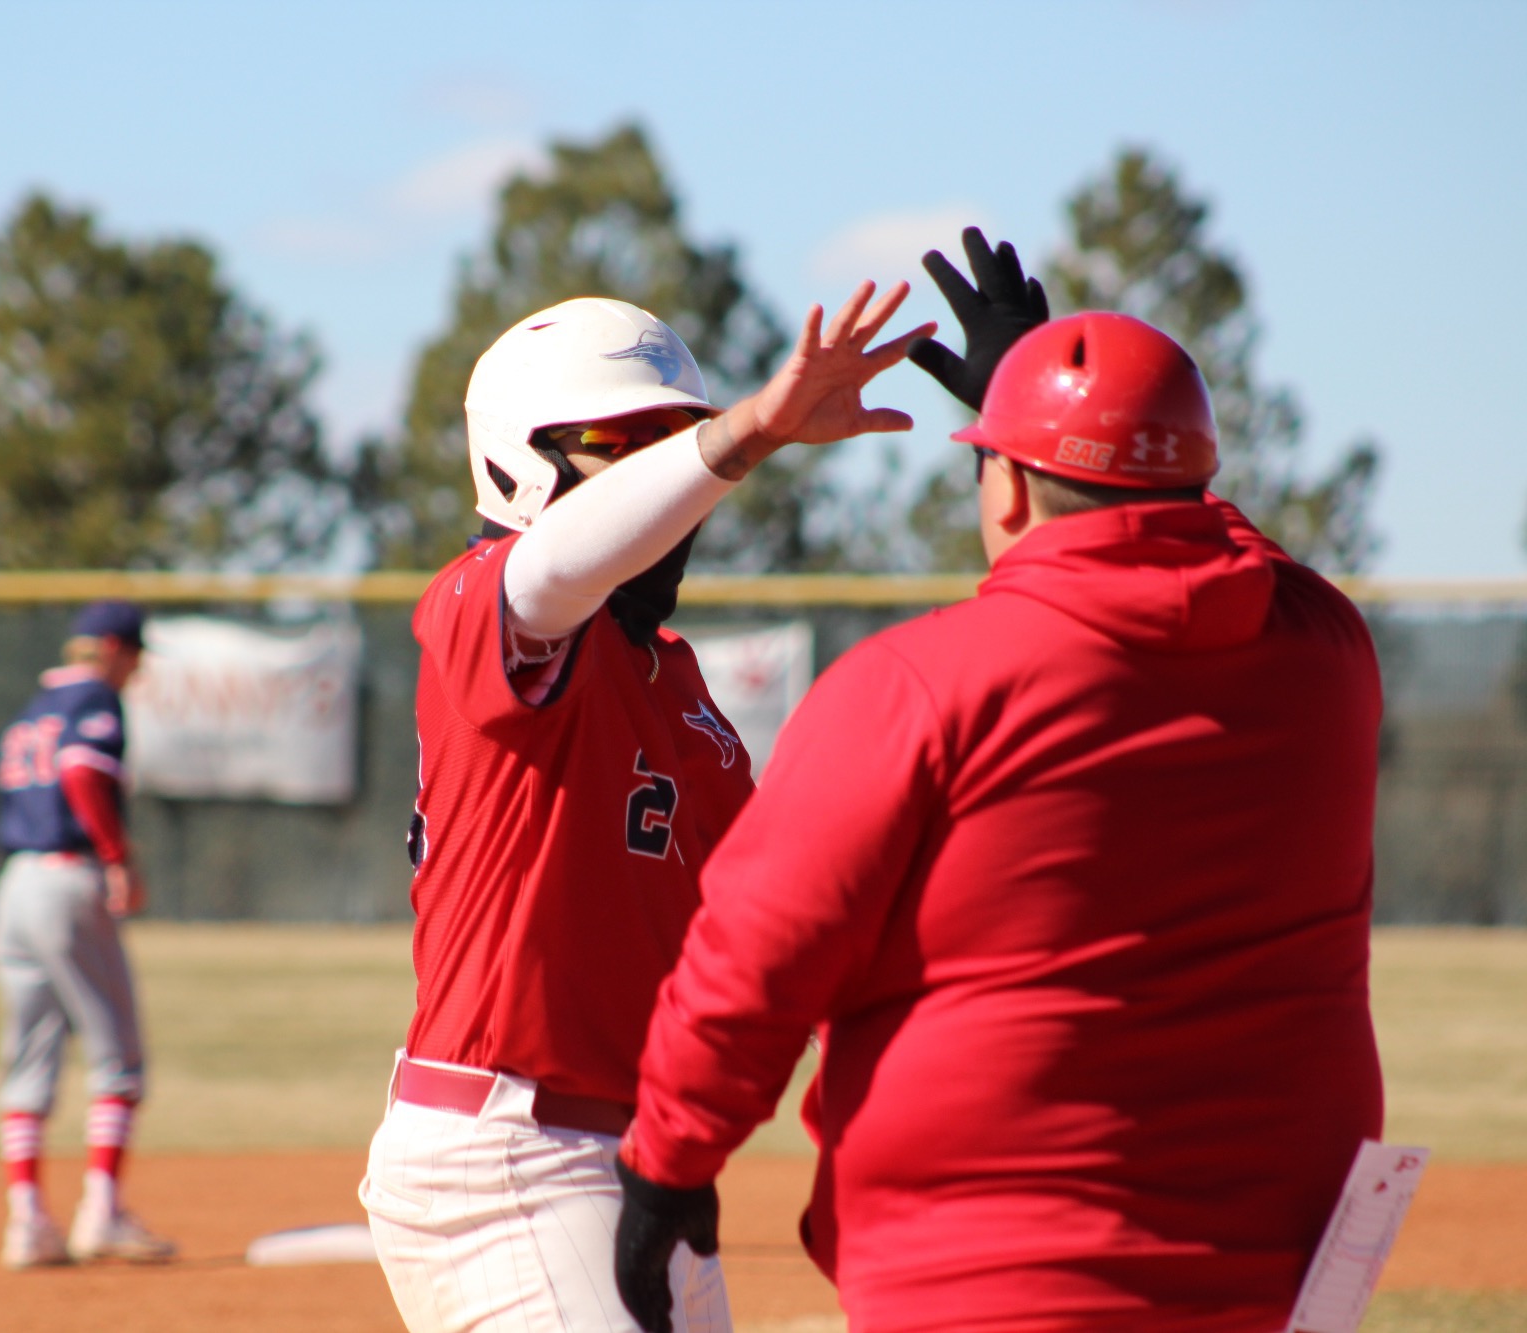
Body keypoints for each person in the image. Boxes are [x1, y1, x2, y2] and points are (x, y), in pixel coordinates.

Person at [611, 231, 1385, 1333]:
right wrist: (1102, 422)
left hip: (991, 1278)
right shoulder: (1325, 657)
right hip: (1271, 1276)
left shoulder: (911, 686)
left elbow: (750, 963)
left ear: (1007, 488)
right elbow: (1226, 542)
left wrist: (666, 1168)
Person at [359, 285, 935, 1333]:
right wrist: (745, 431)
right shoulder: (485, 602)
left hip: (633, 1157)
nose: (662, 468)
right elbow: (548, 567)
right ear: (516, 463)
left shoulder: (670, 677)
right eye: (613, 443)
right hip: (511, 1160)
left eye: (669, 436)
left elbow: (780, 909)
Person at [0, 599, 176, 1269]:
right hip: (69, 881)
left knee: (28, 1057)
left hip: (12, 886)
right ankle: (101, 1211)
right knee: (119, 1057)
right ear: (114, 649)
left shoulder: (32, 705)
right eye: (134, 656)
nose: (133, 671)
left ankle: (27, 1220)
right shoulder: (96, 695)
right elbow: (82, 770)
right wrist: (119, 856)